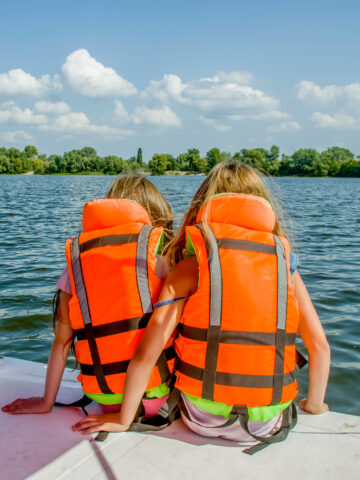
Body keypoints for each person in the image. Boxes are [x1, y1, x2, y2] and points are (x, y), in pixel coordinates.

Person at [71, 161, 331, 453]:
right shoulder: (286, 268)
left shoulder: (188, 269)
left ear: (203, 209)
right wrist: (314, 404)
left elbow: (147, 354)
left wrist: (123, 418)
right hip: (263, 425)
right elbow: (319, 347)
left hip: (199, 418)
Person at [2, 174, 175, 420]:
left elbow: (62, 341)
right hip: (157, 396)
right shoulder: (163, 263)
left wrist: (45, 401)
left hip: (105, 398)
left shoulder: (78, 267)